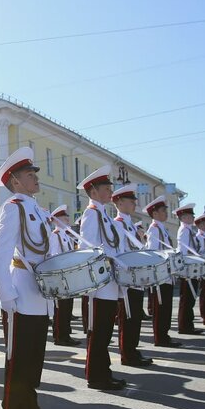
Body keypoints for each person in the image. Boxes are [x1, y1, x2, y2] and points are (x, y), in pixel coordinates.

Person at [0, 147, 64, 409]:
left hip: (39, 292)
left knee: (34, 357)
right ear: (16, 182)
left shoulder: (37, 209)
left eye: (34, 173)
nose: (35, 178)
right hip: (21, 291)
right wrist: (6, 294)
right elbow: (0, 254)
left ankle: (32, 407)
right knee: (19, 357)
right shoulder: (14, 208)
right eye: (29, 174)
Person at [78, 165, 127, 390]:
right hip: (98, 285)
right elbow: (86, 249)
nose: (111, 192)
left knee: (105, 332)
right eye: (107, 188)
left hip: (109, 282)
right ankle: (96, 376)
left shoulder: (103, 215)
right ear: (94, 191)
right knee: (98, 333)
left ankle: (104, 372)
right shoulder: (91, 214)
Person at [110, 184, 153, 367]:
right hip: (128, 277)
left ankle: (133, 351)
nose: (134, 204)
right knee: (128, 318)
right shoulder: (118, 224)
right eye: (130, 201)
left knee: (135, 317)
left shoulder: (129, 223)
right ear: (119, 203)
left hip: (136, 276)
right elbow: (119, 251)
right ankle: (128, 355)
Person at [143, 197, 181, 347]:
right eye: (163, 211)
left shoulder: (162, 228)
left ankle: (164, 335)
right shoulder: (154, 229)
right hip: (160, 274)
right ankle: (160, 337)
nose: (166, 213)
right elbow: (154, 252)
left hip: (166, 273)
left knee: (166, 306)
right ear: (155, 213)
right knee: (161, 307)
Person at [48, 205, 79, 346]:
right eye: (63, 216)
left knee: (67, 307)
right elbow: (53, 256)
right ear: (55, 220)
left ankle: (65, 333)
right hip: (60, 277)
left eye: (67, 216)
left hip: (68, 276)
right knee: (61, 307)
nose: (67, 218)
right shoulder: (55, 236)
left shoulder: (66, 235)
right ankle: (60, 336)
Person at [174, 203, 203, 336]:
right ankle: (184, 326)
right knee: (186, 299)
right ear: (183, 217)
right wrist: (185, 267)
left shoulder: (189, 230)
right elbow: (183, 251)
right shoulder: (184, 231)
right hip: (188, 269)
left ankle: (188, 324)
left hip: (192, 269)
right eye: (190, 216)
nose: (192, 218)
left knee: (190, 298)